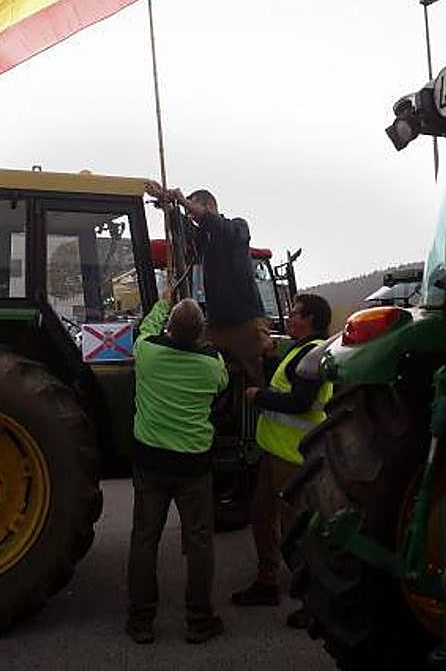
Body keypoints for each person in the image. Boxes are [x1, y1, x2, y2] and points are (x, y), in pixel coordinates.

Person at [126, 286, 229, 645]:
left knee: (144, 539)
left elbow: (144, 329)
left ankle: (141, 621)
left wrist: (162, 302)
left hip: (150, 463)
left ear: (169, 327)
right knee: (199, 541)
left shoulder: (147, 353)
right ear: (200, 331)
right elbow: (222, 385)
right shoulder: (212, 365)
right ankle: (199, 620)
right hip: (193, 467)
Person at [230, 292, 333, 629]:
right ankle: (268, 581)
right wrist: (268, 357)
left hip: (293, 457)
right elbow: (286, 384)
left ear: (311, 320)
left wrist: (259, 396)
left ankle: (314, 600)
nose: (289, 317)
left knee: (296, 530)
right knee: (262, 516)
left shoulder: (312, 355)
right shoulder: (299, 351)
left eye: (296, 313)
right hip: (275, 451)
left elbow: (299, 402)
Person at [143, 181, 270, 386]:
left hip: (245, 322)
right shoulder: (203, 237)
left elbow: (217, 225)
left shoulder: (238, 228)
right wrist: (165, 202)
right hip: (216, 324)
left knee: (255, 377)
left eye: (194, 211)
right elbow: (183, 226)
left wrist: (182, 201)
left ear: (209, 206)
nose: (193, 218)